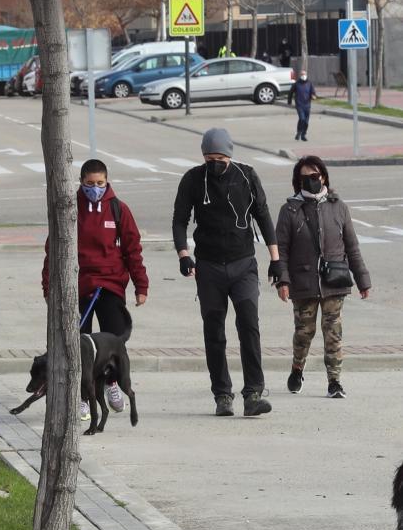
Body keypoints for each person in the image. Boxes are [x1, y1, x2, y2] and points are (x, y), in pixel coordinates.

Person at [173, 128, 283, 417]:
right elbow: (179, 220)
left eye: (220, 157)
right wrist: (184, 255)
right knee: (214, 331)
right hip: (208, 266)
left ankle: (253, 394)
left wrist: (276, 260)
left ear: (230, 155)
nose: (214, 163)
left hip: (243, 263)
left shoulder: (247, 176)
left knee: (249, 326)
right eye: (209, 157)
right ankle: (222, 395)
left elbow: (263, 215)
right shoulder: (193, 179)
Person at [40, 160, 148, 420]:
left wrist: (140, 284)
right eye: (90, 184)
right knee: (78, 347)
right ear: (81, 181)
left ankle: (111, 383)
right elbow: (52, 250)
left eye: (100, 183)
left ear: (107, 181)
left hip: (110, 285)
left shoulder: (119, 210)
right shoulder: (70, 209)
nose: (95, 188)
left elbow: (133, 250)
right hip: (77, 286)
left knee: (112, 341)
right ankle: (83, 399)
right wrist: (48, 287)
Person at [275, 156, 371, 399]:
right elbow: (281, 251)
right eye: (305, 178)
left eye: (314, 176)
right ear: (298, 181)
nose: (311, 181)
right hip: (303, 283)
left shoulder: (338, 206)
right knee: (304, 333)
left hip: (334, 281)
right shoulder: (289, 210)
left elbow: (352, 246)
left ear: (324, 177)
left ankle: (334, 381)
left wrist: (362, 280)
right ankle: (298, 368)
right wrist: (283, 281)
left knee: (333, 333)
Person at [291, 71, 316, 142]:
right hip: (299, 104)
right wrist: (289, 102)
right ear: (300, 75)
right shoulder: (297, 83)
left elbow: (313, 92)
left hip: (307, 105)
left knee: (306, 122)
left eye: (304, 74)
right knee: (302, 119)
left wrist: (313, 96)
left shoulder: (309, 83)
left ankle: (303, 135)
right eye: (302, 74)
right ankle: (299, 132)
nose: (303, 75)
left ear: (306, 75)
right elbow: (291, 92)